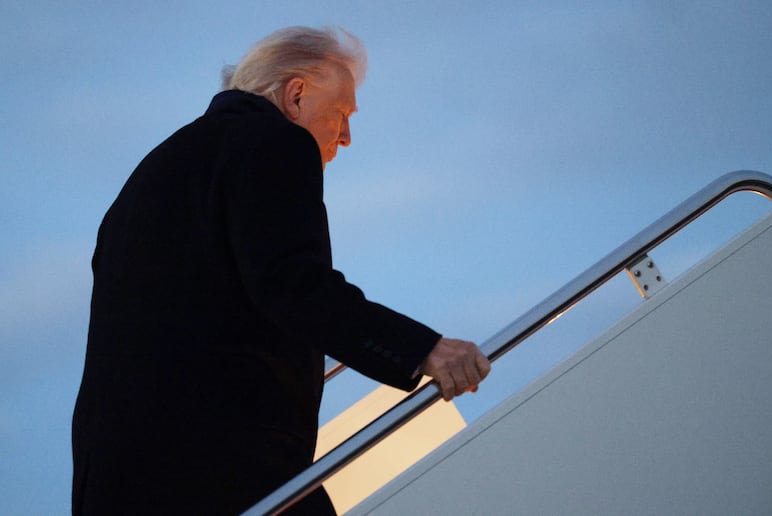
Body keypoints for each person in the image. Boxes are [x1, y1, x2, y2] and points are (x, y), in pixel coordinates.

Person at [72, 26, 491, 515]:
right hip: (225, 466)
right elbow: (291, 283)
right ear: (296, 95)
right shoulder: (274, 141)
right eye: (343, 113)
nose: (347, 137)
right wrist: (421, 350)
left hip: (116, 479)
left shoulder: (150, 174)